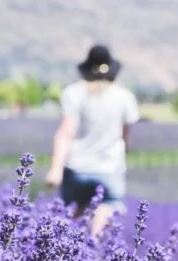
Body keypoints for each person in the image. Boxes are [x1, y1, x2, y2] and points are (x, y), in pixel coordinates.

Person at [44, 44, 140, 237]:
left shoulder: (72, 93)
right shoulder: (124, 96)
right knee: (98, 234)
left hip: (76, 169)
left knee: (71, 232)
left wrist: (55, 170)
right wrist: (124, 151)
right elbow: (126, 135)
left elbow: (65, 133)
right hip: (109, 169)